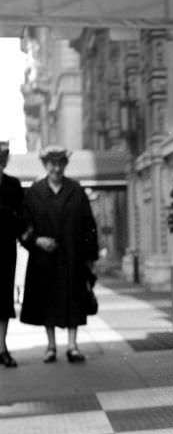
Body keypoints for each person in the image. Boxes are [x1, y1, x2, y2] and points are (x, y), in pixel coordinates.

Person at [20, 145, 98, 363]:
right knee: (47, 300)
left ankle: (73, 346)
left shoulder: (76, 191)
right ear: (45, 165)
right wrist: (37, 240)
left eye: (60, 163)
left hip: (72, 257)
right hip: (44, 258)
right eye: (52, 164)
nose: (56, 168)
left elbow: (88, 225)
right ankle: (51, 346)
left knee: (74, 299)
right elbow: (24, 225)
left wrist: (90, 258)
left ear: (65, 165)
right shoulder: (35, 192)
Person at [0, 141, 23, 367]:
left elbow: (21, 218)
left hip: (6, 249)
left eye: (2, 159)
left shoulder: (13, 185)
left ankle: (2, 347)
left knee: (5, 300)